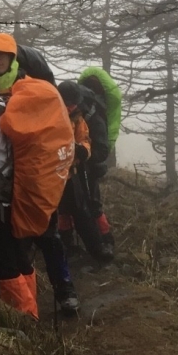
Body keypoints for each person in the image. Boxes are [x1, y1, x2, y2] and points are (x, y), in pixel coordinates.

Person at [0, 34, 79, 314]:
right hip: (6, 190)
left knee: (37, 243)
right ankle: (23, 311)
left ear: (13, 58)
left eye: (2, 54)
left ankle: (56, 295)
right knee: (17, 255)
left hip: (28, 185)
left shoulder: (31, 89)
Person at [56, 80, 112, 262]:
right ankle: (67, 245)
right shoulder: (50, 115)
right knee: (62, 210)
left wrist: (84, 152)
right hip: (54, 173)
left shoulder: (81, 118)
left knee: (84, 211)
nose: (71, 107)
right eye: (67, 103)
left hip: (73, 173)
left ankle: (100, 247)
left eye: (73, 103)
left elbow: (86, 140)